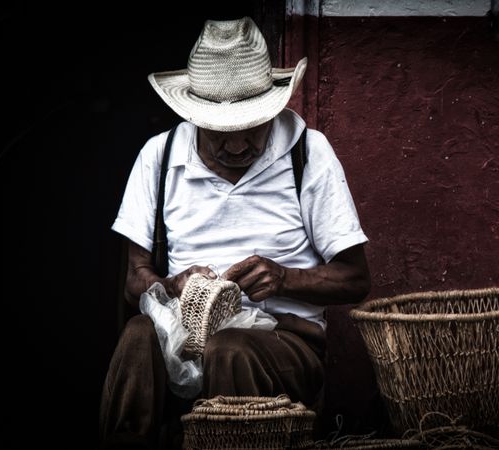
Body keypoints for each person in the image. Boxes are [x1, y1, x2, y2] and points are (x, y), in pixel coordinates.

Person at [99, 16, 371, 450]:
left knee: (229, 348)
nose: (239, 146)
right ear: (193, 115)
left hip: (286, 340)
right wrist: (170, 286)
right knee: (136, 335)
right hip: (182, 333)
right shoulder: (160, 155)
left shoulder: (307, 151)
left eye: (253, 127)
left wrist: (286, 278)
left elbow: (357, 279)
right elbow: (134, 278)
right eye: (220, 133)